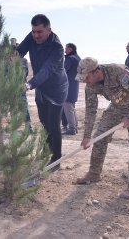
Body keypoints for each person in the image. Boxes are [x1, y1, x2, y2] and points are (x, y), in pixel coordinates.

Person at [74, 57, 129, 199]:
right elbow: (90, 110)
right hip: (116, 108)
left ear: (95, 72)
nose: (84, 81)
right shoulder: (90, 86)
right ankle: (94, 173)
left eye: (86, 77)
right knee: (99, 137)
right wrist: (87, 136)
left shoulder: (118, 72)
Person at [16, 14, 68, 169]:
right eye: (33, 31)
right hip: (41, 88)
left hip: (56, 89)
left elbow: (47, 70)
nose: (36, 35)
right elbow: (18, 53)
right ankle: (46, 150)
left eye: (39, 32)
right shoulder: (32, 37)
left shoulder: (57, 47)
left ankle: (57, 159)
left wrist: (29, 84)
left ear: (49, 30)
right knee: (44, 123)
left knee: (53, 125)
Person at [12, 38, 33, 132]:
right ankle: (28, 127)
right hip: (20, 85)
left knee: (18, 107)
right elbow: (27, 73)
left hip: (15, 86)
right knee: (23, 108)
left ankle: (17, 127)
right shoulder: (24, 60)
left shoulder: (9, 60)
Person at [61, 43, 81, 135]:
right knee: (71, 108)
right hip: (74, 86)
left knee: (68, 107)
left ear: (70, 49)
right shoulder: (77, 58)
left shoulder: (70, 59)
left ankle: (72, 128)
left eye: (66, 48)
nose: (65, 49)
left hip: (68, 87)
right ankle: (74, 127)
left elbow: (63, 71)